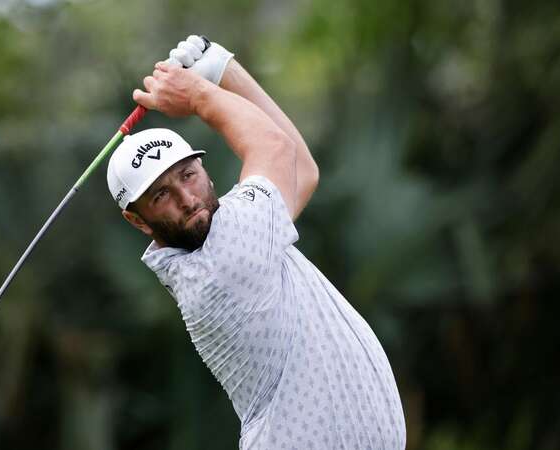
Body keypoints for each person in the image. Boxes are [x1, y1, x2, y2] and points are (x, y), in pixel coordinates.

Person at [106, 35, 406, 449]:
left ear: (204, 169)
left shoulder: (239, 229)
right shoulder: (216, 268)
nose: (187, 199)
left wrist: (221, 68)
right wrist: (197, 93)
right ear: (138, 221)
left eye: (187, 175)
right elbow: (275, 148)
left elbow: (301, 170)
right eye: (161, 195)